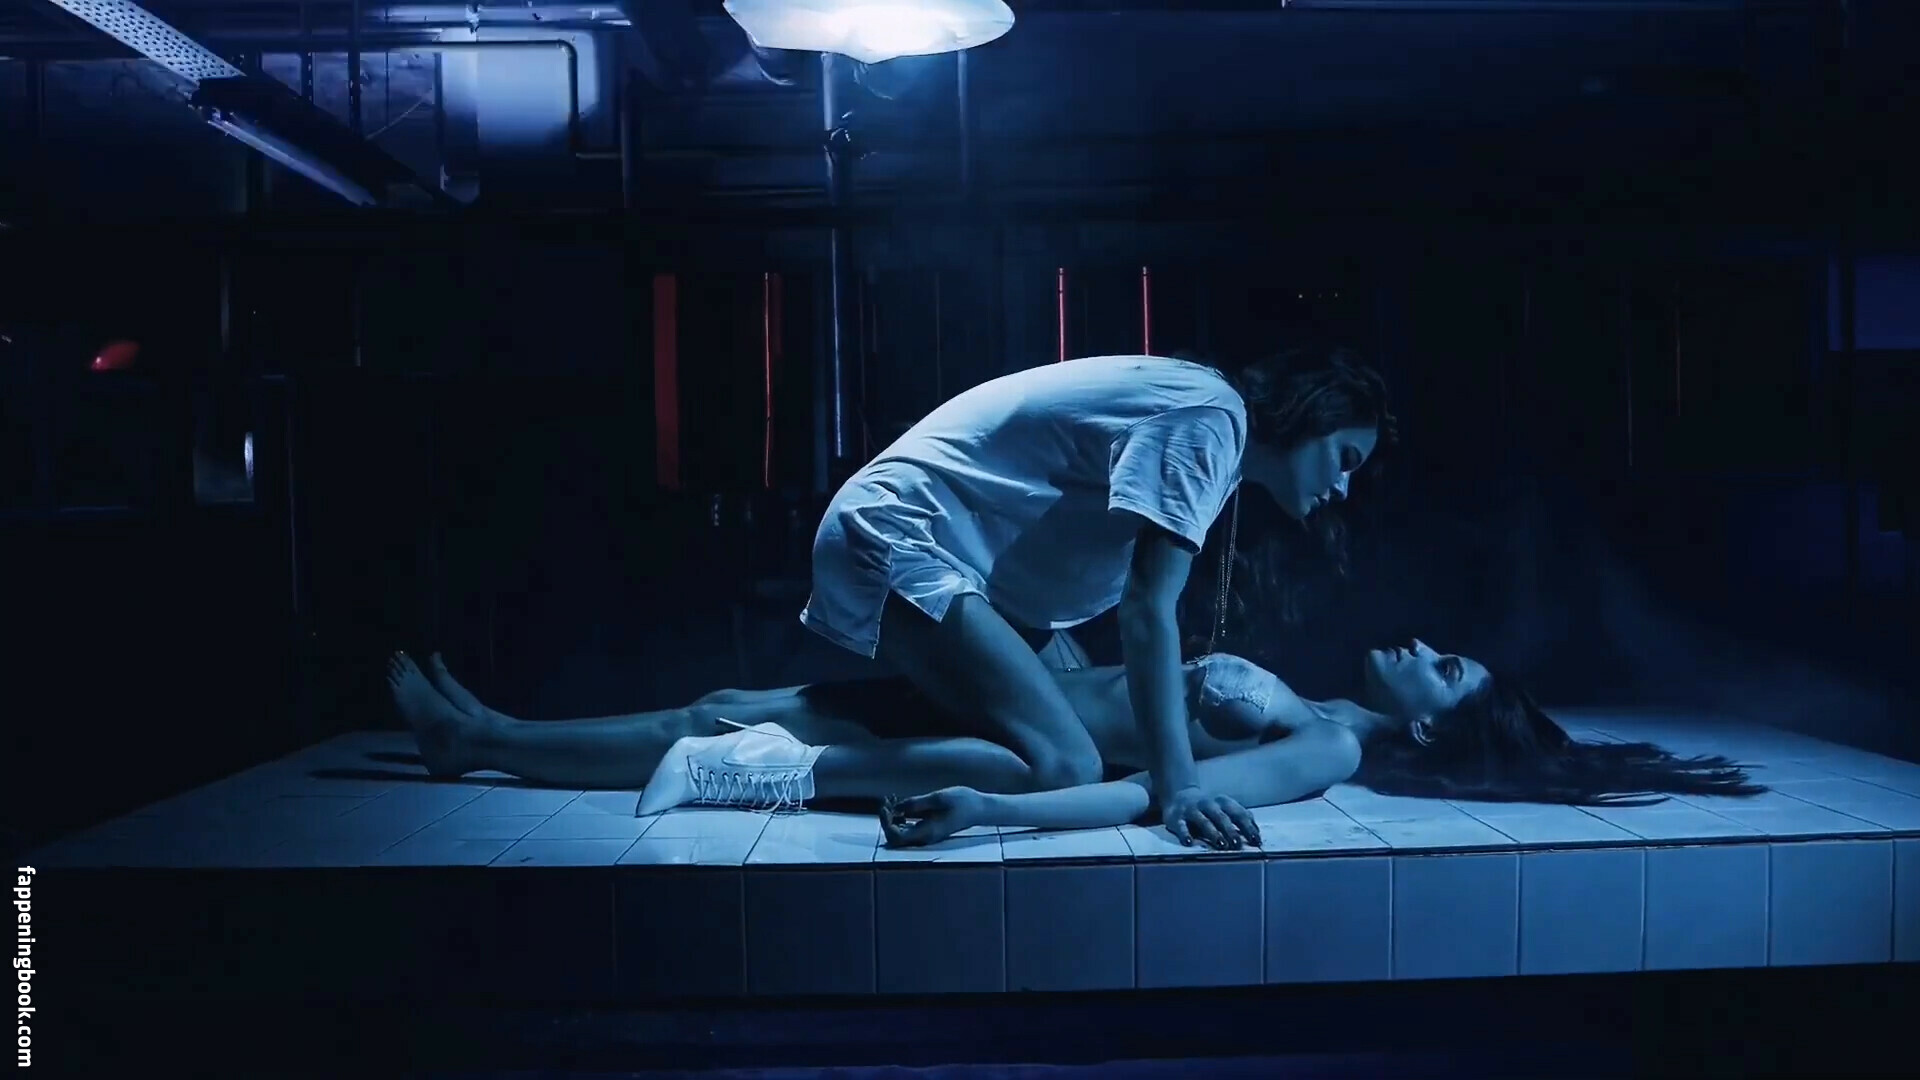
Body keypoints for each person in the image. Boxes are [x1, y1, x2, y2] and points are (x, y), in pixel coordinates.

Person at [799, 347, 1395, 847]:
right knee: (1066, 764)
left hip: (941, 544)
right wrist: (1182, 789)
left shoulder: (1215, 426)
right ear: (1312, 416)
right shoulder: (1211, 423)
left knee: (1029, 707)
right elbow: (1147, 608)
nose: (1342, 487)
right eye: (1344, 459)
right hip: (904, 533)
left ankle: (745, 721)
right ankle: (770, 773)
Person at [384, 639, 1761, 850]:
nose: (1427, 644)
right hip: (1011, 696)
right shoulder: (1322, 704)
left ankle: (479, 738)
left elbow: (1154, 789)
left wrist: (996, 816)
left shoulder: (1326, 750)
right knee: (721, 704)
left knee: (714, 728)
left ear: (1430, 722)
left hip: (998, 741)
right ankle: (487, 731)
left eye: (1446, 668)